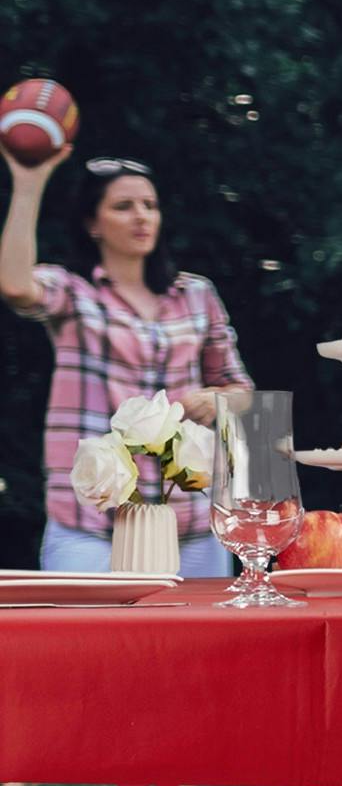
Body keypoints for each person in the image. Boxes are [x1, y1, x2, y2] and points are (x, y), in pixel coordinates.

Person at [2, 149, 252, 575]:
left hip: (188, 523)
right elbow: (15, 285)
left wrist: (216, 400)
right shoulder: (74, 292)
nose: (141, 216)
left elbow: (241, 391)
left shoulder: (195, 294)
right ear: (93, 224)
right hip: (90, 526)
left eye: (150, 206)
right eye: (123, 206)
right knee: (83, 643)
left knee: (200, 643)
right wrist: (29, 181)